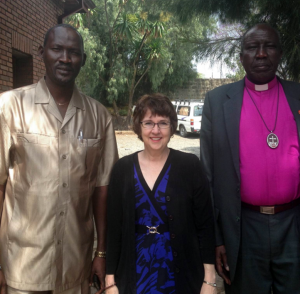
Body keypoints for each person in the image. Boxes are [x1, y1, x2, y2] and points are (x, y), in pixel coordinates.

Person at [0, 24, 118, 294]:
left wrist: (101, 253)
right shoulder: (10, 108)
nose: (65, 58)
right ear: (42, 52)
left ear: (83, 60)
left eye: (74, 52)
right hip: (22, 264)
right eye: (57, 49)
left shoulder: (99, 117)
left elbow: (103, 189)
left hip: (76, 266)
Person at [200, 23, 300, 294]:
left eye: (269, 46)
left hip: (294, 224)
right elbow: (207, 176)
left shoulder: (297, 95)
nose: (261, 54)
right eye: (253, 47)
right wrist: (217, 239)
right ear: (241, 55)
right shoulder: (218, 101)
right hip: (243, 228)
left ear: (280, 53)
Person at [104, 94, 216, 294]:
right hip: (135, 276)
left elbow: (205, 225)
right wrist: (110, 280)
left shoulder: (190, 166)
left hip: (181, 277)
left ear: (172, 127)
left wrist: (209, 278)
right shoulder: (122, 169)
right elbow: (114, 228)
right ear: (139, 127)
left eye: (163, 123)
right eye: (148, 123)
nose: (155, 130)